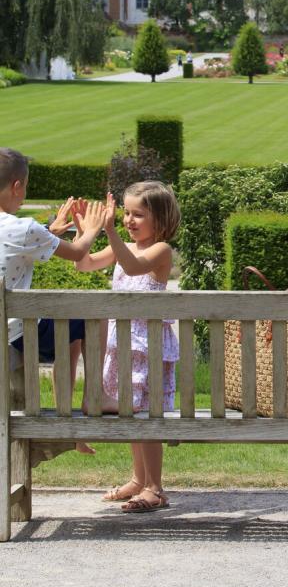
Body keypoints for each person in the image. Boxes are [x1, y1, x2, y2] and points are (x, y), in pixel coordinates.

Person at [74, 181, 181, 512]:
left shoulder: (160, 250)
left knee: (146, 416)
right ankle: (138, 479)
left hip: (145, 346)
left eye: (138, 214)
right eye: (126, 213)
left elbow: (134, 267)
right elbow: (84, 264)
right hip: (122, 346)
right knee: (132, 411)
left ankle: (155, 487)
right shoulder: (125, 247)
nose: (129, 220)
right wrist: (85, 232)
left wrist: (110, 232)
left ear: (160, 220)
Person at [1, 148, 107, 454]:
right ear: (17, 186)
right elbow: (77, 252)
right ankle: (93, 398)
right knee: (92, 317)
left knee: (71, 334)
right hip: (16, 336)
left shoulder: (25, 231)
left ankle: (67, 419)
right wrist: (91, 230)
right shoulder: (23, 228)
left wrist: (50, 231)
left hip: (10, 333)